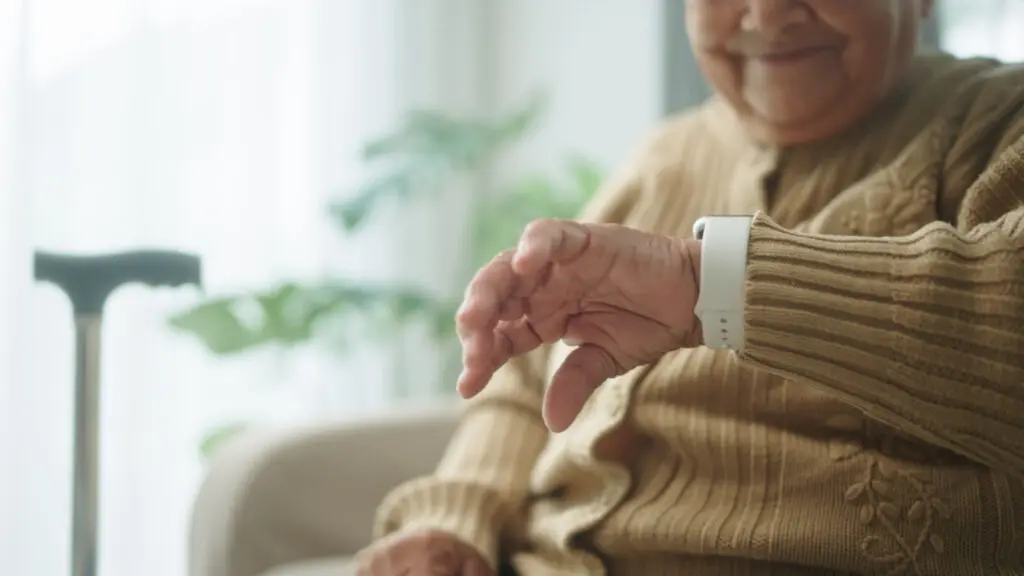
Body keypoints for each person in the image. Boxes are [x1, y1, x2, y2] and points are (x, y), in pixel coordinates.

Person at [356, 1, 1024, 574]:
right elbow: (525, 382)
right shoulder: (661, 156)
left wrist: (712, 284)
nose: (766, 14)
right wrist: (457, 518)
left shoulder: (996, 128)